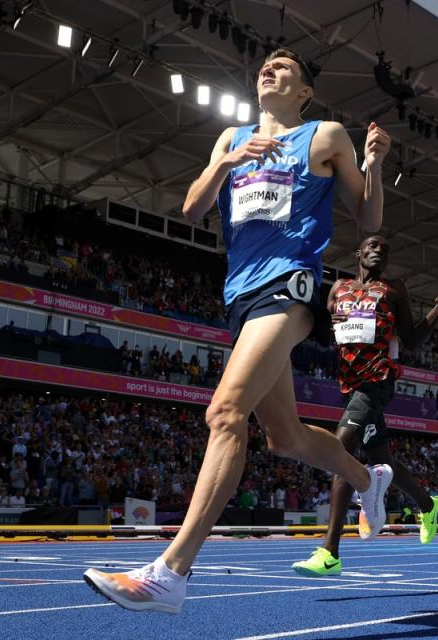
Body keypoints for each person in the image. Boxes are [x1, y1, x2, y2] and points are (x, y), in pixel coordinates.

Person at [84, 47, 393, 614]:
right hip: (240, 295)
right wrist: (228, 161)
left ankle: (170, 573)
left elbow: (367, 219)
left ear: (304, 92)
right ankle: (368, 482)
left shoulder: (324, 135)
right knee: (286, 438)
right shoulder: (230, 138)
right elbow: (192, 209)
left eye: (284, 69)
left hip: (291, 284)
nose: (268, 71)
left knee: (225, 413)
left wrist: (372, 165)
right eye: (264, 67)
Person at [291, 235, 438, 577]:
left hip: (377, 381)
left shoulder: (394, 290)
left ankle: (329, 551)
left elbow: (411, 340)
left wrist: (436, 313)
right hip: (349, 385)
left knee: (339, 451)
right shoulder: (338, 289)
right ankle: (428, 504)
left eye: (385, 247)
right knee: (382, 460)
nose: (379, 249)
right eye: (372, 245)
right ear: (359, 253)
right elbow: (323, 334)